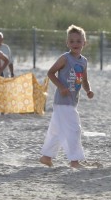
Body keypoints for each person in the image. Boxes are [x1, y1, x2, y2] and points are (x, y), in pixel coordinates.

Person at [39, 25, 94, 168]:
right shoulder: (65, 58)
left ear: (84, 43)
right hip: (63, 101)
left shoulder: (83, 61)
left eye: (78, 41)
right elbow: (51, 73)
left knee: (57, 131)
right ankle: (74, 161)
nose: (75, 44)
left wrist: (88, 90)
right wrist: (61, 87)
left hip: (72, 101)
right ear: (67, 43)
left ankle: (46, 157)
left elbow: (84, 80)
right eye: (72, 41)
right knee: (74, 129)